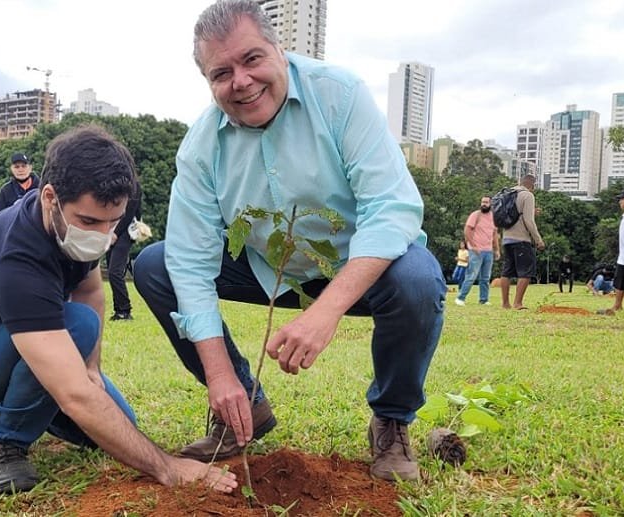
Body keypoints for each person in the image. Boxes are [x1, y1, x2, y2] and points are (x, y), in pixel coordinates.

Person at [132, 0, 445, 483]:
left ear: (280, 50)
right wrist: (220, 378)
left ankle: (392, 420)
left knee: (419, 279)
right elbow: (190, 261)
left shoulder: (340, 95)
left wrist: (325, 312)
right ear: (208, 82)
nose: (241, 81)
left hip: (358, 266)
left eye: (252, 59)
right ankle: (245, 408)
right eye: (221, 72)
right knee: (156, 264)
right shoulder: (201, 146)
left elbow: (392, 209)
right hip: (266, 267)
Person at [0, 126, 236, 495]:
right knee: (77, 332)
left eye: (115, 221)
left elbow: (91, 292)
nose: (103, 235)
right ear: (50, 197)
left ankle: (23, 401)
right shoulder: (16, 257)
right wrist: (167, 467)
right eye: (90, 222)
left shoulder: (74, 233)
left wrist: (91, 366)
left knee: (118, 422)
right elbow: (75, 389)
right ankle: (3, 443)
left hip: (8, 339)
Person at [499, 174, 545, 310]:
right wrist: (538, 239)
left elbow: (516, 213)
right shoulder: (528, 195)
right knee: (526, 271)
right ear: (532, 185)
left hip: (506, 237)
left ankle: (505, 303)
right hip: (521, 239)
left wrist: (531, 212)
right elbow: (528, 221)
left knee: (506, 271)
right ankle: (518, 303)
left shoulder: (509, 193)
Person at [455, 197, 501, 306]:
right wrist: (473, 245)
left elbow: (495, 235)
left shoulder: (493, 217)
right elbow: (467, 230)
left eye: (486, 202)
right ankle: (460, 298)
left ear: (491, 204)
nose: (484, 204)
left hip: (488, 251)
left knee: (485, 277)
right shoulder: (476, 215)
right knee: (472, 275)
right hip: (476, 251)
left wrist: (497, 250)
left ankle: (483, 299)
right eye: (482, 202)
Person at [106, 184, 142, 321]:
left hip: (125, 232)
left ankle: (124, 310)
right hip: (111, 229)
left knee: (114, 271)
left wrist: (115, 233)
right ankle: (119, 310)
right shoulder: (112, 184)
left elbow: (130, 213)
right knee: (112, 270)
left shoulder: (134, 187)